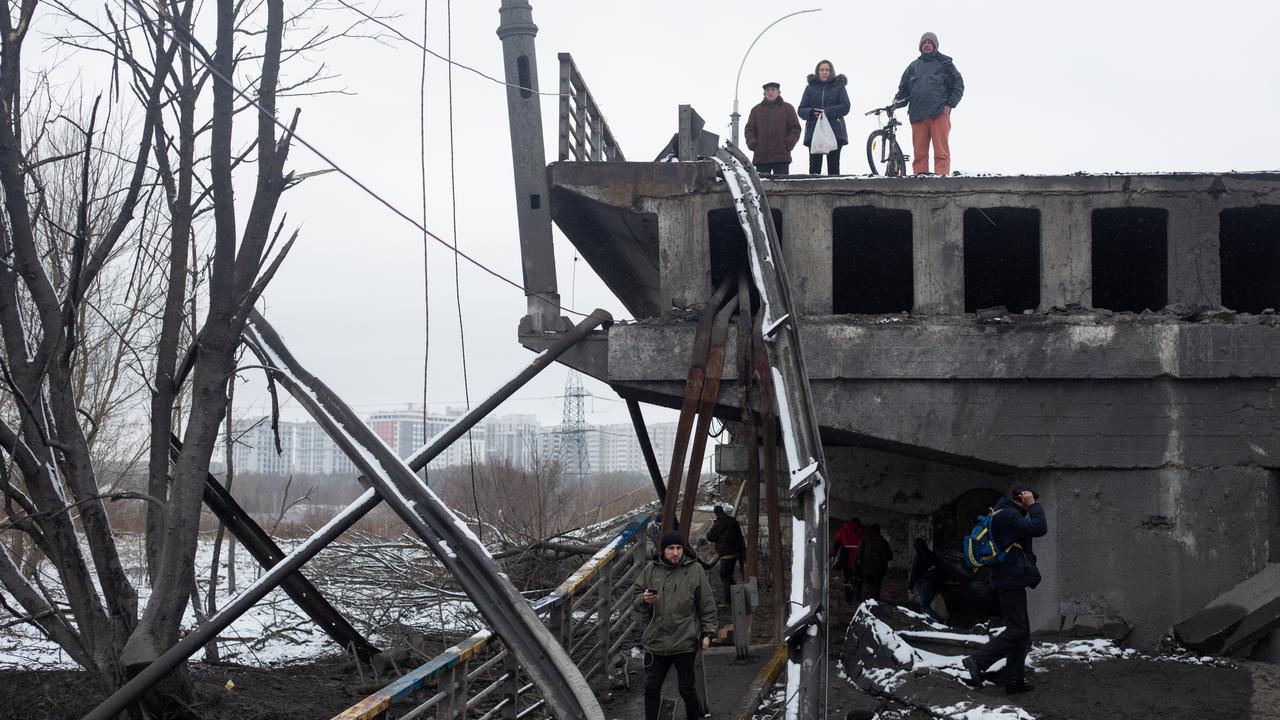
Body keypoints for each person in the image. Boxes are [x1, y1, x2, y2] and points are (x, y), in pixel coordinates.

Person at [962, 484, 1048, 695]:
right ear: (1023, 498)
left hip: (1011, 581)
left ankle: (1015, 681)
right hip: (1009, 582)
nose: (1031, 506)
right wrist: (1034, 507)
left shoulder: (1007, 514)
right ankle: (977, 660)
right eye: (1029, 501)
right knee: (1017, 631)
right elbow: (1039, 528)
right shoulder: (1008, 516)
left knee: (1022, 634)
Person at [633, 529, 717, 720]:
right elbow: (634, 601)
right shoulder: (651, 570)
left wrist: (708, 633)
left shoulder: (695, 570)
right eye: (671, 548)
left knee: (687, 689)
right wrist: (644, 599)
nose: (676, 552)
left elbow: (707, 605)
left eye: (679, 548)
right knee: (651, 689)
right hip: (656, 642)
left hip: (684, 641)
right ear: (663, 550)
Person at [892, 32, 964, 176]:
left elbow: (958, 85)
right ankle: (920, 181)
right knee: (919, 154)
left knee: (941, 152)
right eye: (924, 43)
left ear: (935, 46)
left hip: (939, 113)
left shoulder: (945, 64)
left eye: (930, 43)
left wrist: (949, 106)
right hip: (918, 114)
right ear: (920, 46)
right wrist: (895, 104)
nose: (927, 45)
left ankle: (941, 181)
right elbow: (903, 91)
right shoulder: (913, 66)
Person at [797, 59, 851, 175]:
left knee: (834, 166)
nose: (824, 72)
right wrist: (810, 112)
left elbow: (845, 107)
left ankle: (835, 192)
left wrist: (826, 112)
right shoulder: (810, 88)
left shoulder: (839, 87)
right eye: (821, 70)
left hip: (835, 131)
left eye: (827, 70)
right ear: (818, 71)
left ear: (831, 71)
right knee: (814, 168)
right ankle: (813, 191)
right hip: (814, 131)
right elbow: (801, 109)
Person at [743, 81, 801, 175]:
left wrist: (788, 144)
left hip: (782, 156)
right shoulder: (756, 110)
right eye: (768, 90)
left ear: (779, 92)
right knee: (762, 187)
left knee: (783, 187)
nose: (770, 92)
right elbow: (749, 129)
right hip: (761, 157)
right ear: (764, 93)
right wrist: (753, 143)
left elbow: (795, 128)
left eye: (773, 90)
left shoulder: (788, 108)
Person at [707, 505, 747, 604]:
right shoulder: (733, 521)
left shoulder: (718, 524)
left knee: (724, 575)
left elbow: (710, 537)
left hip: (725, 554)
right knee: (728, 575)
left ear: (716, 513)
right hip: (735, 553)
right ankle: (737, 593)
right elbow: (740, 537)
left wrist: (712, 525)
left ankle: (728, 600)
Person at [908, 537, 944, 622]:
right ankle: (932, 620)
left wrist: (910, 587)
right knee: (931, 603)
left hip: (925, 583)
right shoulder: (932, 554)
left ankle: (938, 620)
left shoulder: (919, 556)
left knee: (924, 607)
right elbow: (939, 568)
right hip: (934, 582)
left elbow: (914, 572)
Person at [855, 524, 892, 602]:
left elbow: (858, 554)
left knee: (867, 586)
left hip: (866, 568)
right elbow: (889, 556)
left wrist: (859, 565)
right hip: (879, 570)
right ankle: (875, 602)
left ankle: (866, 603)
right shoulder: (883, 542)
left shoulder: (864, 541)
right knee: (877, 587)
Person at [832, 518, 865, 602]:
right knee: (857, 577)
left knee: (847, 576)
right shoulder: (861, 532)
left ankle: (848, 596)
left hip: (845, 557)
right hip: (857, 558)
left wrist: (833, 553)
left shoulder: (844, 529)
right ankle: (856, 594)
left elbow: (837, 542)